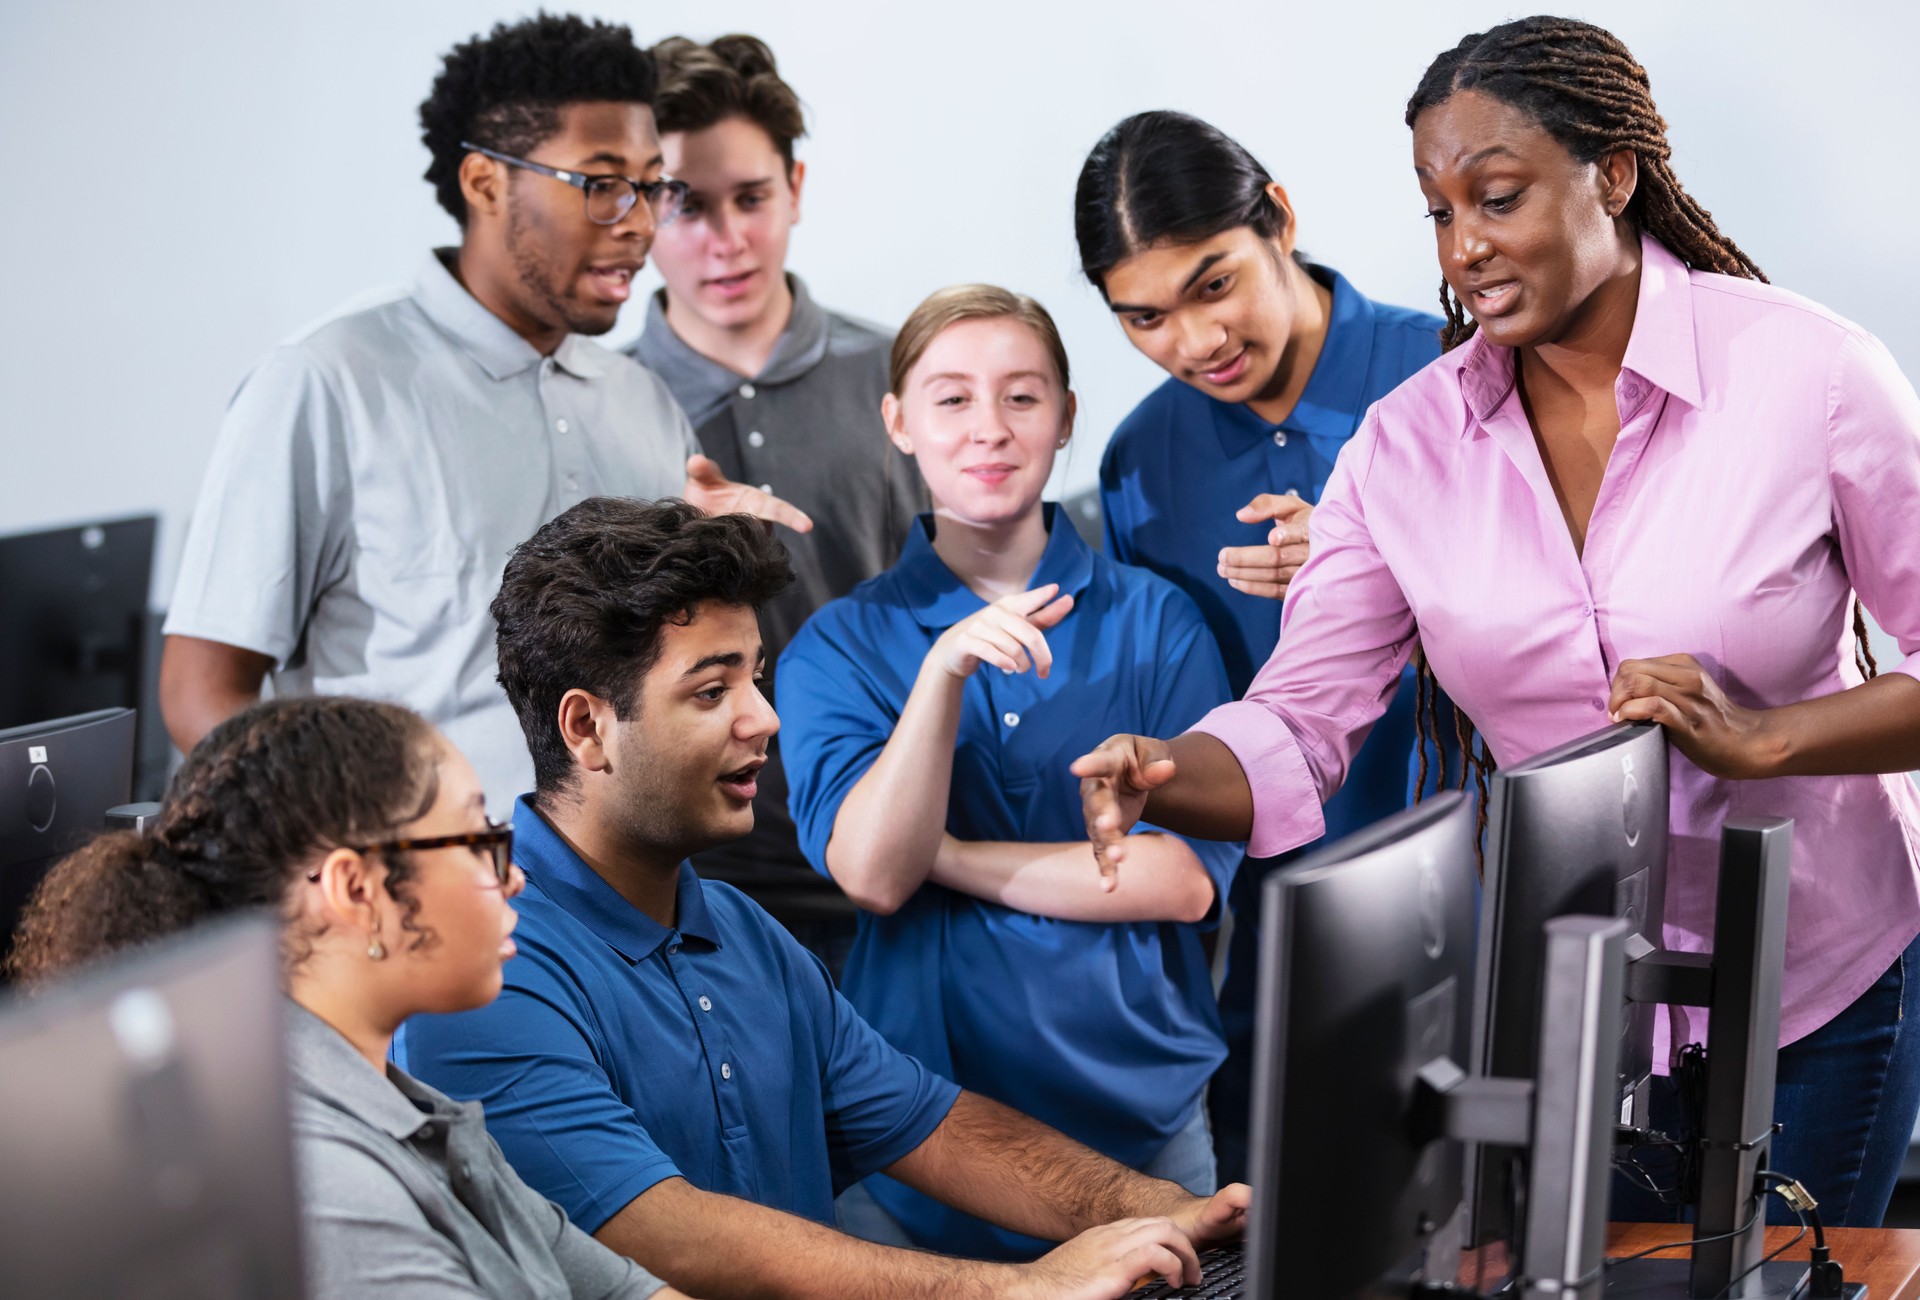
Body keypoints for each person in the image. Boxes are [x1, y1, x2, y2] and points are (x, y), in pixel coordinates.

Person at [1074, 15, 1920, 1229]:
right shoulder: (1404, 447)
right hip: (1577, 1009)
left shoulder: (1815, 375)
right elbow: (1302, 718)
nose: (1465, 246)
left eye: (1499, 196)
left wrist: (1770, 736)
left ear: (1613, 176)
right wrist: (1166, 770)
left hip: (1822, 986)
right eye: (1439, 212)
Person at [392, 497, 1249, 1298]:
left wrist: (1153, 1205)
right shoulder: (483, 968)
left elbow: (934, 1125)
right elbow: (663, 1232)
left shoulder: (742, 932)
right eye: (711, 690)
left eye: (755, 678)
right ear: (586, 729)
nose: (762, 718)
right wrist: (1022, 1288)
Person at [158, 14, 808, 815]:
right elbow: (201, 694)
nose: (639, 223)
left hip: (618, 913)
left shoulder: (640, 399)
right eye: (601, 185)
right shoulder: (328, 381)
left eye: (651, 186)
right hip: (415, 900)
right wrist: (360, 846)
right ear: (485, 183)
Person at [776, 285, 1240, 1260]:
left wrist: (956, 855)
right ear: (898, 422)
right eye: (951, 399)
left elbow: (1181, 877)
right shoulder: (838, 648)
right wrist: (941, 672)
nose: (989, 428)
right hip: (926, 1150)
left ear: (1066, 418)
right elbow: (874, 872)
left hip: (1146, 1130)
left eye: (1022, 397)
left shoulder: (1160, 621)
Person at [7, 696, 687, 1300]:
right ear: (358, 891)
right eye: (475, 840)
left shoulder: (412, 1109)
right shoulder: (326, 1188)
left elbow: (623, 1289)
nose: (511, 880)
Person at [1073, 110, 1450, 1181]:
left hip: (1485, 900)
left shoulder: (1454, 373)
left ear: (1278, 218)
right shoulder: (1143, 457)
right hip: (1284, 943)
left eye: (1213, 284)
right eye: (1142, 317)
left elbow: (1583, 633)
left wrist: (1381, 580)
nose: (1193, 342)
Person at [629, 33, 922, 964]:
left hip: (891, 856)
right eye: (684, 204)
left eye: (751, 198)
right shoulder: (596, 406)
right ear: (639, 210)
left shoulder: (906, 374)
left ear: (794, 187)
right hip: (684, 879)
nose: (726, 240)